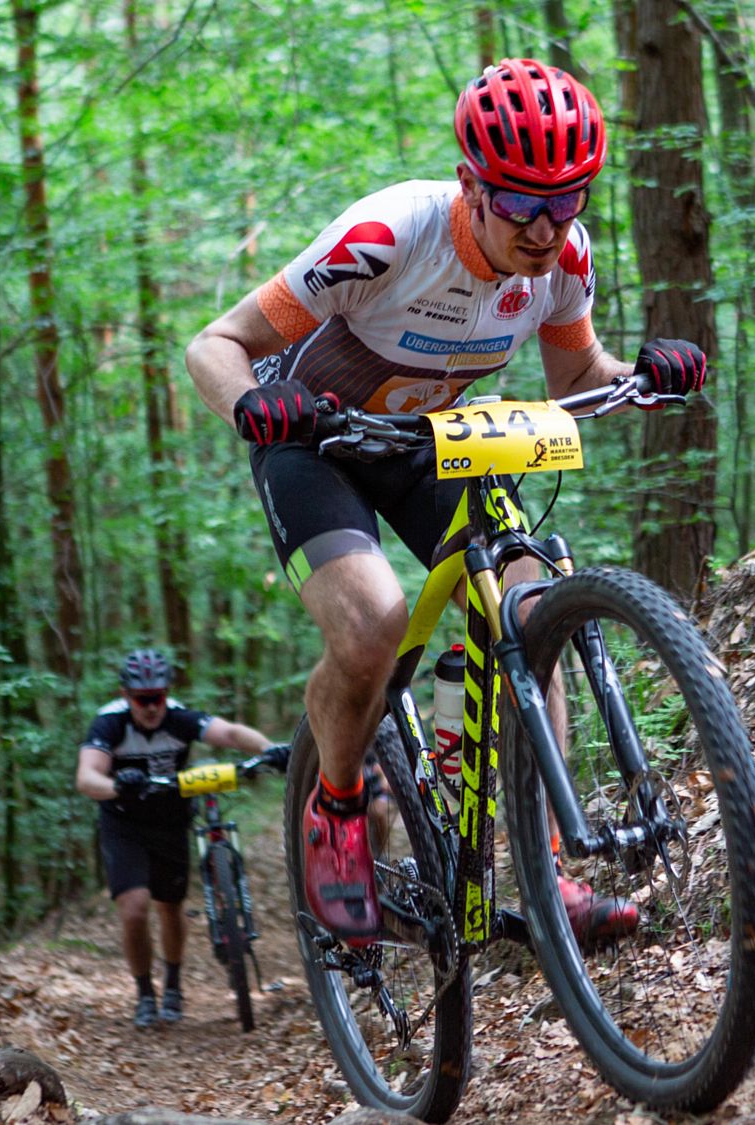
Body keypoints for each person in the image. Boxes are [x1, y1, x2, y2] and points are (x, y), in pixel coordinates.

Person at [183, 59, 707, 947]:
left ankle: (540, 860)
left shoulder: (564, 257)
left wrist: (644, 376)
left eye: (567, 200)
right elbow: (215, 343)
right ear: (471, 185)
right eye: (519, 203)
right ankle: (338, 810)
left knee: (530, 598)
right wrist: (249, 404)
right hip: (313, 441)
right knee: (374, 629)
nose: (544, 227)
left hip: (434, 441)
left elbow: (578, 376)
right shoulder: (388, 235)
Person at [73, 648, 283, 1028]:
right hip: (124, 823)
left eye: (158, 697)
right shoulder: (110, 724)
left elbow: (230, 733)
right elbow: (87, 777)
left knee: (170, 906)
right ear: (126, 695)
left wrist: (272, 751)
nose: (152, 707)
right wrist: (118, 784)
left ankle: (172, 984)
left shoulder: (178, 717)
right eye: (142, 699)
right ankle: (144, 994)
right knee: (135, 908)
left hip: (170, 819)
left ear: (167, 692)